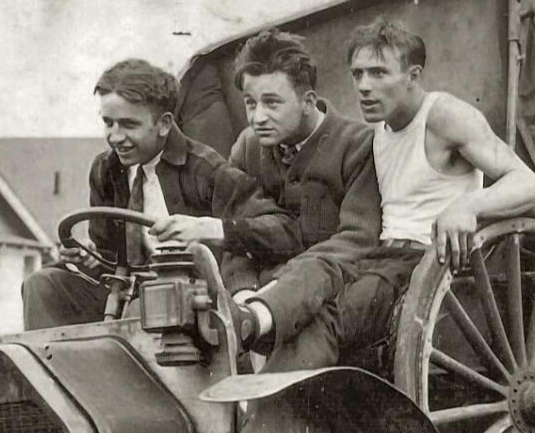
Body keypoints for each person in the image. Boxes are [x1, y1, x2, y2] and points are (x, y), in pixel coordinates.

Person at [267, 17, 535, 370]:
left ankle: (275, 421)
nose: (364, 86)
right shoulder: (380, 130)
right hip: (379, 259)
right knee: (298, 303)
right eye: (357, 74)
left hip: (425, 266)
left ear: (413, 76)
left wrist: (468, 205)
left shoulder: (443, 115)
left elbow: (531, 186)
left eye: (379, 73)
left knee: (325, 322)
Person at [21, 58, 298, 330]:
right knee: (41, 285)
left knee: (141, 308)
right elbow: (109, 260)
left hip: (194, 305)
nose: (115, 137)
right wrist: (90, 257)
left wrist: (210, 228)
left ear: (164, 124)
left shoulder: (204, 170)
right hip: (128, 297)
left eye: (129, 125)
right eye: (109, 123)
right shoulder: (106, 171)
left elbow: (284, 230)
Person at [155, 29, 380, 354]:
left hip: (335, 285)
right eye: (250, 103)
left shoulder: (356, 145)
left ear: (308, 102)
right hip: (260, 295)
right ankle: (244, 321)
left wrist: (280, 287)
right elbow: (237, 237)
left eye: (272, 103)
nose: (258, 117)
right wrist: (244, 295)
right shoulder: (248, 147)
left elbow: (358, 240)